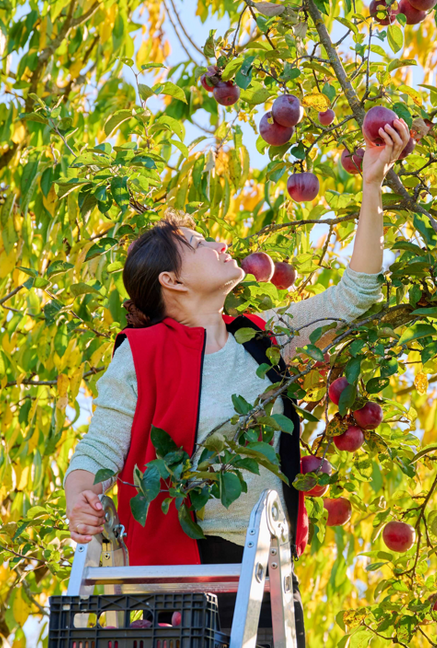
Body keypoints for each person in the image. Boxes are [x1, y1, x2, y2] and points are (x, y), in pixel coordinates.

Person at [63, 118, 411, 646]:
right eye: (200, 243)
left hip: (264, 575)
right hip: (181, 579)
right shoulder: (141, 353)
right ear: (171, 281)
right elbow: (99, 449)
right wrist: (81, 501)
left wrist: (371, 187)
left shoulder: (262, 339)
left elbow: (355, 295)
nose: (220, 243)